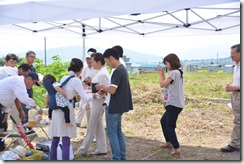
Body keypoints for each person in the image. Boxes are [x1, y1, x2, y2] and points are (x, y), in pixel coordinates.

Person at [48, 58, 97, 160]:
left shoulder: (64, 77)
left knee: (55, 139)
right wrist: (96, 95)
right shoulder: (75, 80)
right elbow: (85, 97)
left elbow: (67, 92)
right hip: (66, 111)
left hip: (57, 110)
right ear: (80, 69)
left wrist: (74, 95)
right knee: (66, 139)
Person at [95, 48, 133, 160]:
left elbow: (112, 90)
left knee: (112, 134)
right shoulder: (123, 69)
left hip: (114, 106)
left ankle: (116, 158)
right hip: (119, 105)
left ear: (111, 58)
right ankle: (122, 156)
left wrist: (101, 86)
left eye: (107, 61)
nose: (107, 64)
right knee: (118, 132)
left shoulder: (117, 70)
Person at [76, 53, 109, 155]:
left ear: (98, 62)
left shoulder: (102, 73)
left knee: (91, 126)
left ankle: (83, 150)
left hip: (99, 101)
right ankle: (102, 148)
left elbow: (104, 90)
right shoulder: (100, 72)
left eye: (93, 61)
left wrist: (94, 96)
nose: (92, 63)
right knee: (98, 125)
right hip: (96, 100)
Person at [0, 72, 42, 151]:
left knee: (3, 126)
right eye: (33, 83)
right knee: (1, 126)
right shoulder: (18, 81)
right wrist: (38, 108)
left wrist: (6, 112)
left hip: (2, 106)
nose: (31, 86)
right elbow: (24, 98)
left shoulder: (18, 82)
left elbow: (11, 98)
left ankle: (1, 149)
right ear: (29, 78)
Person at [157, 53, 185, 157]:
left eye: (167, 63)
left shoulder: (173, 73)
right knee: (163, 121)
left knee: (169, 126)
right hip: (175, 103)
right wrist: (163, 74)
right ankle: (168, 142)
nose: (166, 66)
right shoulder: (178, 72)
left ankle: (176, 148)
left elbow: (162, 84)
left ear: (171, 62)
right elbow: (166, 82)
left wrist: (160, 73)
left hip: (174, 103)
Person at [220, 44, 240, 153]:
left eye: (233, 53)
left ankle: (235, 144)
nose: (231, 56)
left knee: (238, 120)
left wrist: (234, 87)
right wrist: (232, 87)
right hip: (235, 94)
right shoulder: (236, 66)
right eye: (230, 53)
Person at [76, 48, 98, 128]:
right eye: (87, 59)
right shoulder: (85, 68)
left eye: (90, 58)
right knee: (83, 107)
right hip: (86, 91)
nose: (88, 60)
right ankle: (79, 122)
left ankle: (92, 129)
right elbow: (84, 81)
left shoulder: (96, 69)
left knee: (92, 111)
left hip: (93, 92)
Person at [21, 51, 38, 125]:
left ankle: (29, 125)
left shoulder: (33, 68)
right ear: (27, 57)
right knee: (24, 107)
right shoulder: (23, 67)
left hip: (30, 89)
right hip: (23, 89)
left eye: (34, 57)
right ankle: (24, 125)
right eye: (31, 56)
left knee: (30, 107)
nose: (33, 58)